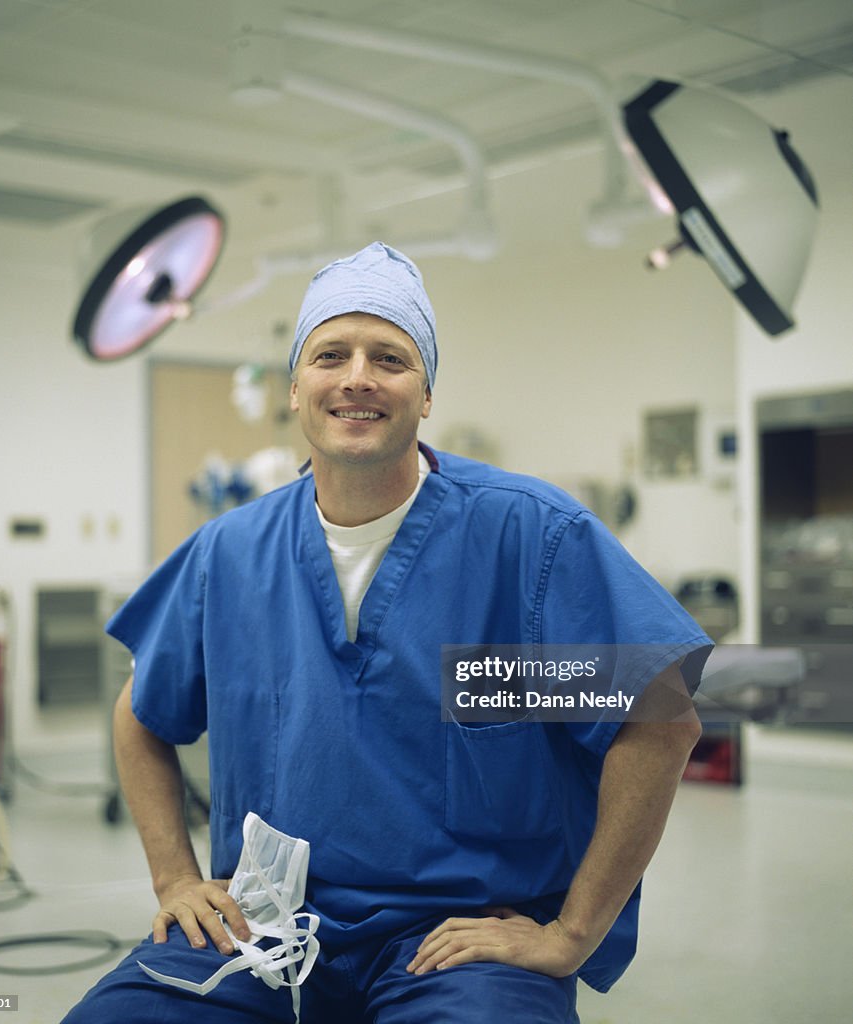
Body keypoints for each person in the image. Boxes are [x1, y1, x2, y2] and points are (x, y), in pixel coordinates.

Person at [62, 241, 711, 1024]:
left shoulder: (527, 540)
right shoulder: (229, 553)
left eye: (390, 358)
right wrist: (174, 880)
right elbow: (141, 714)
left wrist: (571, 934)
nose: (358, 376)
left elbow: (661, 715)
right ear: (296, 387)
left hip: (452, 944)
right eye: (330, 354)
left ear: (427, 392)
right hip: (263, 926)